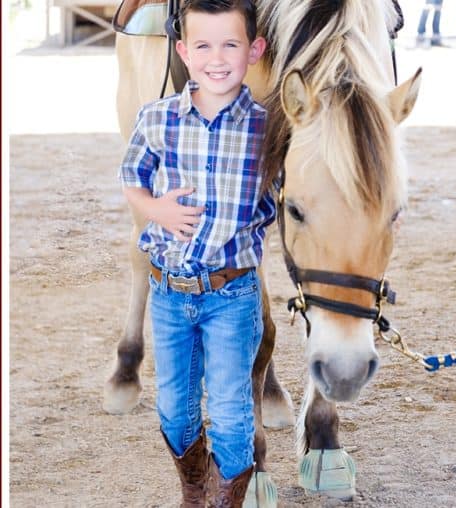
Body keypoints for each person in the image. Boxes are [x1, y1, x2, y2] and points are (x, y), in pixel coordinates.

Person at [118, 0, 272, 505]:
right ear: (183, 52)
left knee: (230, 412)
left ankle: (225, 498)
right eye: (202, 46)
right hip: (170, 291)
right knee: (175, 410)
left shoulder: (267, 128)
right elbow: (132, 180)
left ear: (254, 50)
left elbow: (299, 194)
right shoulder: (158, 118)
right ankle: (193, 484)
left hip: (232, 293)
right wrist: (156, 210)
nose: (217, 58)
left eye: (231, 45)